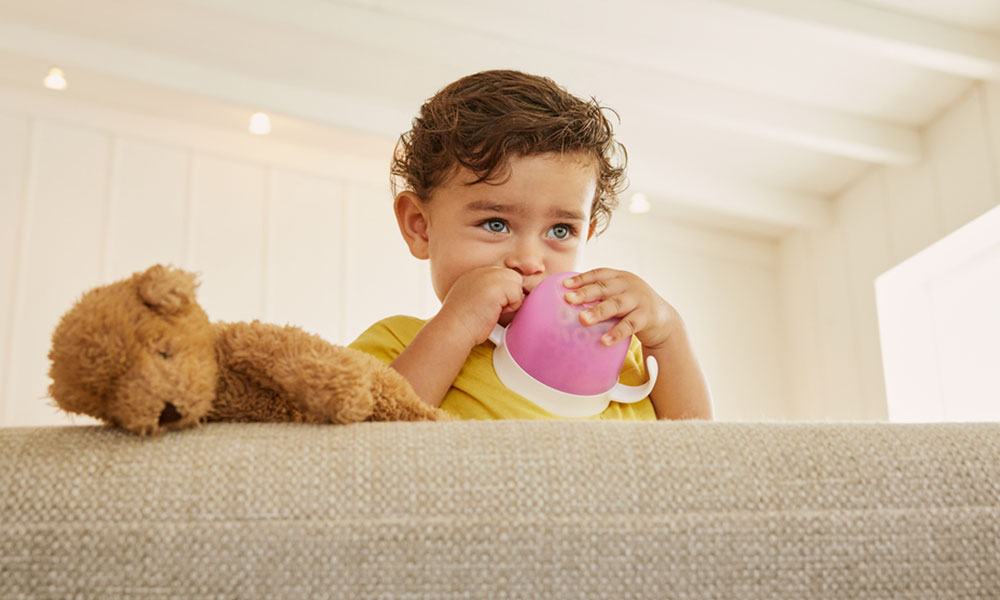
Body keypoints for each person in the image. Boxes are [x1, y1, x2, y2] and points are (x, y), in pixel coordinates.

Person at [349, 69, 712, 421]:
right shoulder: (398, 343)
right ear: (420, 227)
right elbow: (364, 449)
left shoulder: (619, 349)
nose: (528, 261)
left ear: (585, 236)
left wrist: (666, 335)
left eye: (559, 231)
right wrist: (457, 325)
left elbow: (703, 456)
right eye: (495, 224)